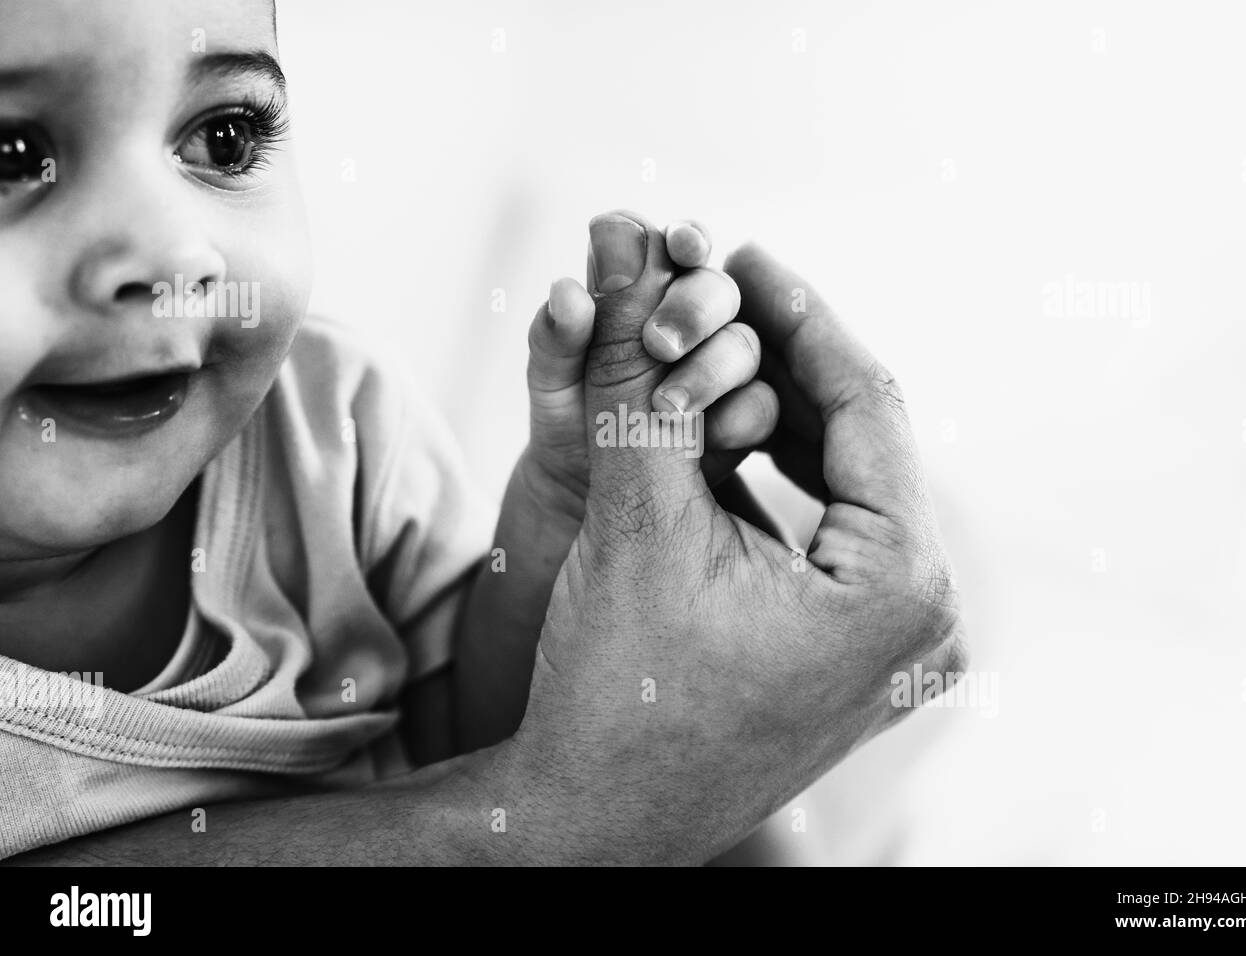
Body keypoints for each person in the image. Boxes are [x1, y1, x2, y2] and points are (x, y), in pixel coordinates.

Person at [0, 0, 964, 865]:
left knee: (936, 599)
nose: (174, 253)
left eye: (223, 136)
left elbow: (472, 738)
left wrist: (575, 520)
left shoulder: (330, 423)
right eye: (13, 155)